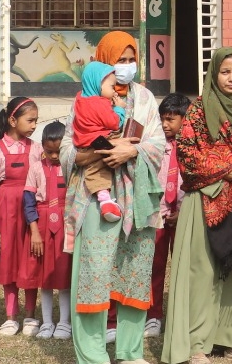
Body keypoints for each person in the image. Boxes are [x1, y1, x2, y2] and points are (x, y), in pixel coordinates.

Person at [60, 29, 168, 364]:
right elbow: (66, 150)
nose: (125, 66)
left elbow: (159, 145)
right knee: (94, 273)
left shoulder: (146, 98)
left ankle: (130, 351)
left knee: (135, 272)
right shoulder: (86, 98)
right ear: (103, 62)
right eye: (119, 60)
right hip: (95, 197)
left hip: (138, 196)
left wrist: (130, 150)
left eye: (130, 59)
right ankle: (92, 354)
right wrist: (97, 154)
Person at [162, 47, 232, 364]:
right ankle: (197, 345)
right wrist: (223, 170)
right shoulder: (197, 112)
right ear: (213, 75)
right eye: (225, 72)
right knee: (203, 275)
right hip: (206, 199)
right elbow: (187, 157)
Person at [0, 95, 42, 336]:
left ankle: (30, 315)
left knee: (30, 260)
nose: (34, 126)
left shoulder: (37, 149)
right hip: (6, 212)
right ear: (12, 120)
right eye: (30, 120)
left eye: (36, 121)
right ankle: (11, 316)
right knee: (8, 261)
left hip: (31, 211)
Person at [24, 120, 73, 339]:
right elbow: (28, 201)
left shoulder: (71, 167)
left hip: (65, 225)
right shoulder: (35, 168)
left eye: (58, 151)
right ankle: (46, 322)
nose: (54, 156)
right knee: (43, 276)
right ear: (42, 147)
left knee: (64, 274)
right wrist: (34, 230)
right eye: (49, 151)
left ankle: (64, 322)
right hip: (42, 227)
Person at [147, 91, 190, 338]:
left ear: (184, 119)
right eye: (162, 119)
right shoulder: (156, 147)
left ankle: (181, 315)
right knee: (156, 266)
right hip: (159, 215)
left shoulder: (191, 148)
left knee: (184, 268)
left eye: (171, 119)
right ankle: (154, 315)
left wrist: (182, 211)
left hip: (184, 215)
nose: (165, 124)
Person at [72, 61, 130, 222]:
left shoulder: (80, 99)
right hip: (102, 140)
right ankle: (106, 202)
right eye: (112, 87)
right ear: (97, 84)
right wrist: (119, 108)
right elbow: (114, 123)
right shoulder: (99, 103)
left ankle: (105, 200)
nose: (114, 91)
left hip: (84, 144)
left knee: (94, 171)